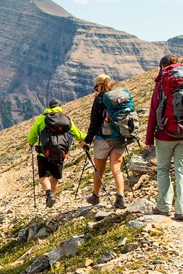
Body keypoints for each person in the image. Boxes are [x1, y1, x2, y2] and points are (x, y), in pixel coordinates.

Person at [145, 54, 183, 221]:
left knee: (163, 170)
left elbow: (153, 112)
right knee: (182, 171)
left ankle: (164, 206)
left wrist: (148, 140)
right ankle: (182, 209)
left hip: (165, 134)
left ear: (162, 66)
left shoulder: (163, 82)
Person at [79, 74, 128, 209]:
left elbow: (94, 123)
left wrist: (87, 141)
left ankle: (96, 196)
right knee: (116, 168)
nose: (96, 90)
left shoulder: (100, 99)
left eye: (96, 87)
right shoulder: (119, 97)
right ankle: (120, 196)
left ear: (100, 85)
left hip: (103, 139)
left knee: (99, 169)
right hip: (120, 137)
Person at [27, 99, 86, 208]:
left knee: (43, 175)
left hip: (43, 153)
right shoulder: (66, 119)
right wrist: (87, 139)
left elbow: (32, 135)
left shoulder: (42, 118)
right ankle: (52, 197)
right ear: (60, 107)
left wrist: (31, 143)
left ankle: (49, 194)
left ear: (49, 107)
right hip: (60, 153)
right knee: (55, 176)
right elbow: (77, 134)